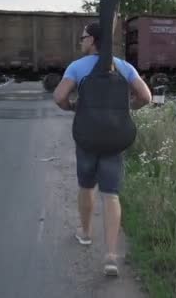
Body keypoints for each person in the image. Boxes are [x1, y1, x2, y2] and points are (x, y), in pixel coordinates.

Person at [53, 23, 152, 276]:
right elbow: (146, 97)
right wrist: (125, 109)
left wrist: (72, 107)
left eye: (82, 37)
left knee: (86, 186)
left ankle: (85, 234)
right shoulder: (124, 66)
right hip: (114, 137)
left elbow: (59, 96)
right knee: (111, 193)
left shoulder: (78, 67)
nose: (80, 42)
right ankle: (110, 255)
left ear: (93, 40)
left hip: (87, 136)